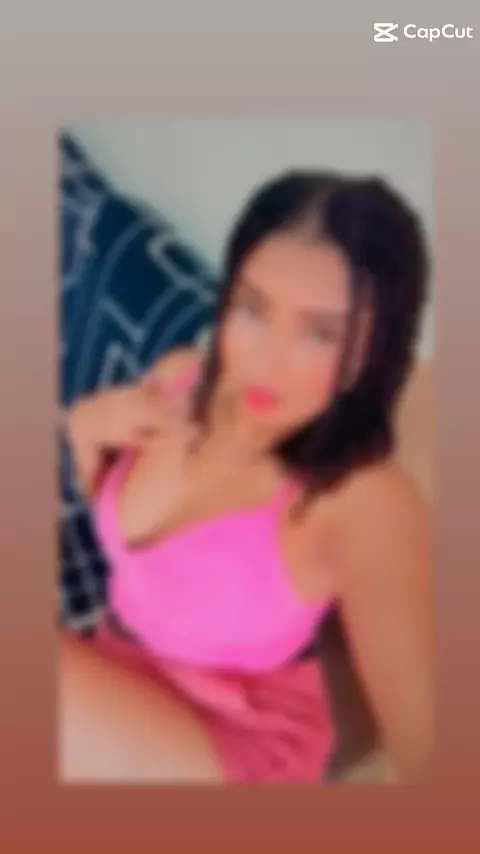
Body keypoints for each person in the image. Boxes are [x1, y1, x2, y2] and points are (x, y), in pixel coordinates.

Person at [60, 170, 433, 784]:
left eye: (319, 333)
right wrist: (83, 433)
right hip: (116, 686)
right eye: (253, 308)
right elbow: (131, 557)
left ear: (373, 353)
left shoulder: (365, 500)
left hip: (233, 740)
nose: (265, 361)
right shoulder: (179, 379)